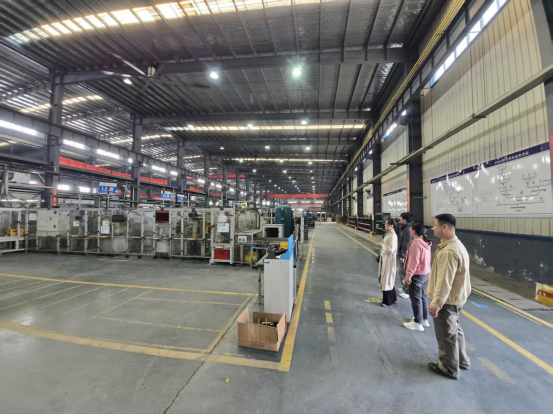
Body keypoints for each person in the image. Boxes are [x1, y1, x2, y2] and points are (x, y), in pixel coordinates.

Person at [428, 214, 472, 380]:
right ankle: (462, 361)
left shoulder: (449, 251)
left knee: (446, 334)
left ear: (444, 227)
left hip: (447, 300)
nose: (432, 228)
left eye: (435, 225)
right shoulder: (456, 245)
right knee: (455, 330)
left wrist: (436, 303)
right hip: (457, 297)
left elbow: (444, 281)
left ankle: (448, 367)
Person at [402, 224, 432, 332]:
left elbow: (414, 262)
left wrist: (408, 276)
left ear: (414, 231)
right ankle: (424, 319)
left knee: (416, 299)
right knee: (423, 297)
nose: (410, 230)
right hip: (425, 274)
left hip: (417, 275)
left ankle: (417, 323)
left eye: (411, 228)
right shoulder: (426, 243)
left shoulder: (415, 244)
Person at [378, 218, 398, 308]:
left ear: (392, 226)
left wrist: (382, 245)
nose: (385, 225)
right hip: (386, 258)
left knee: (386, 279)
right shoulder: (389, 234)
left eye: (387, 224)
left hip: (389, 260)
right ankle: (393, 298)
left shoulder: (392, 236)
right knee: (388, 279)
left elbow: (391, 250)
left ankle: (387, 301)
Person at [397, 212, 414, 299]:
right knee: (402, 272)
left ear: (405, 220)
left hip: (405, 255)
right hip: (403, 254)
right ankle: (404, 288)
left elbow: (406, 244)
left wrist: (403, 256)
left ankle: (407, 291)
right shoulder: (405, 228)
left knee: (404, 272)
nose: (400, 220)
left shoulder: (408, 230)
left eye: (401, 218)